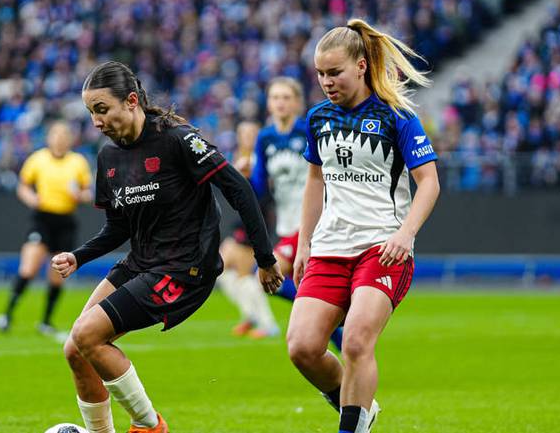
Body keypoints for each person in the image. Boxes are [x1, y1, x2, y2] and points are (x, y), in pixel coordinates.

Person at [51, 61, 283, 433]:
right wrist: (79, 256)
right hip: (142, 262)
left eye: (101, 109)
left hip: (184, 269)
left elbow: (238, 189)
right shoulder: (109, 157)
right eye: (91, 112)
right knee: (75, 349)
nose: (95, 121)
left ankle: (149, 426)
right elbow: (117, 228)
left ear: (131, 101)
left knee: (87, 335)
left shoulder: (178, 139)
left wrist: (265, 258)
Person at [285, 19, 440, 433]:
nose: (326, 82)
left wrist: (406, 234)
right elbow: (315, 180)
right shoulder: (318, 118)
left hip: (382, 248)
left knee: (355, 341)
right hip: (330, 247)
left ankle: (352, 424)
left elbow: (429, 182)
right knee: (302, 347)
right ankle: (357, 407)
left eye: (334, 72)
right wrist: (304, 244)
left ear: (360, 65)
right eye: (320, 74)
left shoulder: (397, 116)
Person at [250, 76, 344, 352]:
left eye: (286, 97)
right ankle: (339, 333)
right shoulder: (265, 137)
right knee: (292, 284)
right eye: (275, 97)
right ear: (268, 103)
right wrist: (244, 175)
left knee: (267, 275)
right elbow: (259, 187)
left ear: (297, 102)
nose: (280, 103)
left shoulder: (308, 130)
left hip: (312, 223)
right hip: (286, 224)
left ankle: (328, 315)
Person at [0, 121, 93, 338]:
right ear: (49, 138)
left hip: (65, 220)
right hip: (42, 219)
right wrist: (32, 198)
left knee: (57, 274)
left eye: (64, 135)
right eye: (55, 135)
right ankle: (7, 314)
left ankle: (46, 321)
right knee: (28, 268)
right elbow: (23, 186)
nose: (59, 139)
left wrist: (79, 195)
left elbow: (88, 192)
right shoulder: (38, 159)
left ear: (70, 140)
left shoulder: (77, 162)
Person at [215, 120, 280, 339]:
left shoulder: (260, 160)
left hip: (256, 222)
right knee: (223, 269)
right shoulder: (239, 158)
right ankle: (250, 315)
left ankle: (267, 324)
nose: (247, 137)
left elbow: (262, 196)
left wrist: (247, 177)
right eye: (243, 133)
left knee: (244, 275)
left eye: (251, 133)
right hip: (241, 223)